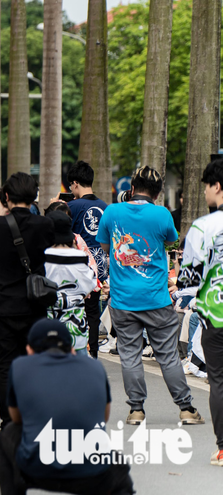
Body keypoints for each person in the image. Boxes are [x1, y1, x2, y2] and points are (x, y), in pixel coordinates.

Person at [97, 165, 203, 427]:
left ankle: (136, 410)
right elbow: (170, 241)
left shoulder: (112, 212)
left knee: (130, 355)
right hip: (157, 298)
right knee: (167, 355)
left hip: (122, 300)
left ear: (131, 188)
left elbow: (104, 246)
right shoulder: (162, 214)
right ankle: (187, 409)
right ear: (156, 194)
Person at [0, 318, 134, 495]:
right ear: (72, 349)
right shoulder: (95, 367)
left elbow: (16, 418)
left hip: (37, 469)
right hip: (90, 473)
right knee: (119, 468)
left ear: (29, 349)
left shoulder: (20, 366)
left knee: (8, 433)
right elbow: (103, 417)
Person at [0, 172, 55, 434]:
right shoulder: (44, 224)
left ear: (6, 196)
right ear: (34, 196)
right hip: (35, 305)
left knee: (6, 369)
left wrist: (1, 210)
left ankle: (8, 426)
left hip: (2, 307)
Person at [177, 158, 223, 465]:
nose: (205, 191)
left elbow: (189, 280)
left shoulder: (203, 228)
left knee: (218, 380)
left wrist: (183, 293)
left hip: (215, 317)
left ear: (217, 186)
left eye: (206, 185)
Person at [64, 160, 108, 357]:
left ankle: (75, 349)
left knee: (73, 305)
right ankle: (94, 351)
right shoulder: (105, 207)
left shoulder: (70, 206)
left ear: (74, 183)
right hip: (99, 263)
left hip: (78, 263)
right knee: (93, 311)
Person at [43, 212, 97, 354]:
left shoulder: (43, 256)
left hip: (48, 321)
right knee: (78, 368)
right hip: (76, 322)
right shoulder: (80, 257)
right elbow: (91, 284)